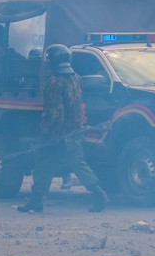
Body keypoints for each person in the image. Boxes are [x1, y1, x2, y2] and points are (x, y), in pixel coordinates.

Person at [17, 45, 108, 214]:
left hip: (56, 132)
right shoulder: (76, 78)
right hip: (73, 130)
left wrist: (48, 134)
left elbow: (55, 112)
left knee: (43, 163)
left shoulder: (54, 81)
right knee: (77, 163)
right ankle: (98, 193)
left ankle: (37, 201)